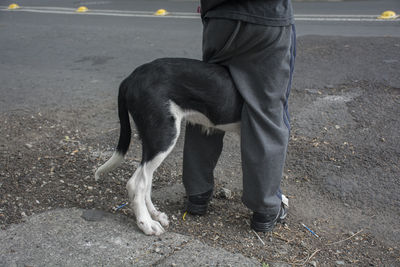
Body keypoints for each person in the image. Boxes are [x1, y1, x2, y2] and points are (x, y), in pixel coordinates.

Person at [182, 0, 296, 232]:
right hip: (267, 15)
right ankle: (265, 208)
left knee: (210, 98)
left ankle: (197, 194)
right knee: (266, 109)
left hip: (219, 18)